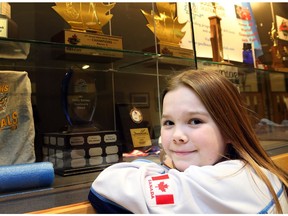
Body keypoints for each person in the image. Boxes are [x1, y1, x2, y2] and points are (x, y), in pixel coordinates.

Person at [88, 69, 288, 213]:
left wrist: (166, 160)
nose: (177, 135)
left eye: (195, 121)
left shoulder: (217, 182)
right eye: (168, 122)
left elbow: (104, 187)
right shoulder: (257, 172)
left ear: (229, 129)